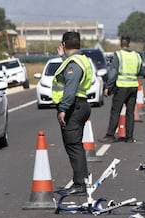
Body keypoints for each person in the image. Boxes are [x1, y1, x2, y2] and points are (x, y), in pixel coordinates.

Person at [52, 32, 92, 195]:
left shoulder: (74, 63)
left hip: (73, 107)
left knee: (74, 147)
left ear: (64, 43)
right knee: (76, 146)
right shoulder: (80, 59)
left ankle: (79, 183)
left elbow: (70, 87)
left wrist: (63, 109)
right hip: (80, 105)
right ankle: (82, 180)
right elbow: (70, 72)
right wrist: (63, 57)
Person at [99, 36, 144, 144]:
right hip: (133, 86)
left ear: (120, 43)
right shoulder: (136, 55)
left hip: (122, 86)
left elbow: (113, 72)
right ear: (129, 43)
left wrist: (108, 87)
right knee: (130, 112)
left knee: (116, 111)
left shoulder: (119, 55)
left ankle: (110, 135)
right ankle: (129, 137)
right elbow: (141, 71)